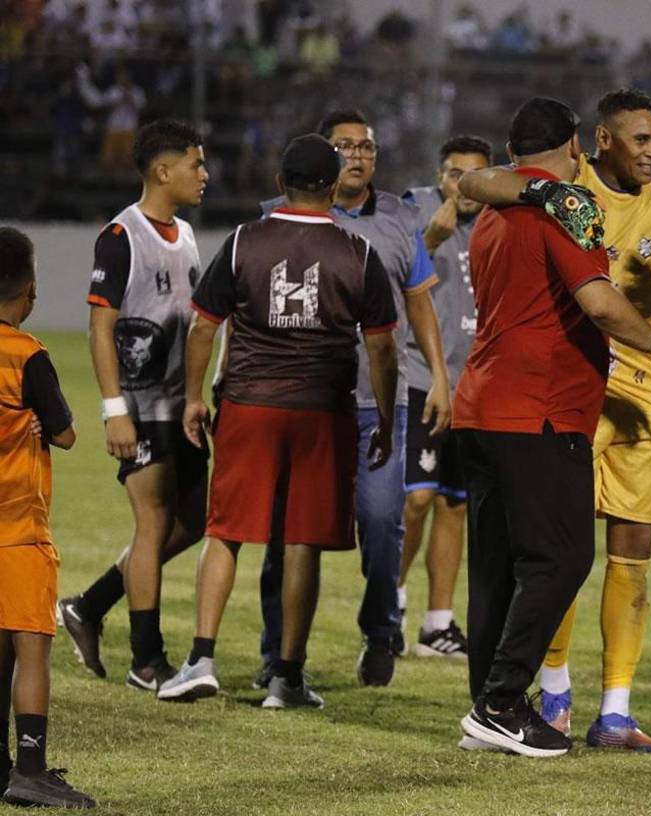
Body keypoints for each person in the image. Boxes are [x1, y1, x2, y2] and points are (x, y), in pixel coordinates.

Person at [458, 87, 651, 752]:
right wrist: (538, 192)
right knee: (554, 552)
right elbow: (475, 182)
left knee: (629, 553)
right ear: (600, 141)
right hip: (572, 390)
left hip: (640, 394)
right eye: (641, 139)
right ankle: (549, 695)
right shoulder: (568, 183)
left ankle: (615, 710)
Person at [157, 134, 400, 709]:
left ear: (278, 183)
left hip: (250, 404)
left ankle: (201, 658)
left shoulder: (245, 240)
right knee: (302, 541)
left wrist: (194, 397)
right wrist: (386, 419)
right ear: (336, 185)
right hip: (323, 410)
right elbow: (384, 350)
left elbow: (202, 327)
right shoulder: (357, 252)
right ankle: (286, 676)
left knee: (226, 531)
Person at [255, 110, 448, 689]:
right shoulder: (278, 218)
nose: (359, 156)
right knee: (287, 531)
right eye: (345, 146)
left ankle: (380, 624)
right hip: (304, 399)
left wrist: (438, 373)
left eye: (367, 146)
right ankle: (277, 655)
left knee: (384, 518)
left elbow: (418, 303)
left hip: (379, 403)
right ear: (324, 155)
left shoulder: (398, 218)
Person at [58, 120, 210, 691]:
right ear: (162, 170)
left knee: (194, 521)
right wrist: (113, 409)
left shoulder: (187, 234)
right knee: (151, 522)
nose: (205, 173)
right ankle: (147, 661)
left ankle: (89, 606)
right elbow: (101, 328)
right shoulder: (122, 236)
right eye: (196, 164)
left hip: (181, 406)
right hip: (142, 406)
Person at [0, 227, 95, 808]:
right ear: (30, 289)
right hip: (18, 526)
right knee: (30, 648)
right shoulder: (28, 354)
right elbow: (64, 433)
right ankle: (29, 770)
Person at [397, 135, 492, 659]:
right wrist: (429, 240)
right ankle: (392, 604)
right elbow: (389, 279)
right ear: (440, 174)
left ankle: (438, 626)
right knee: (415, 500)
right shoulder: (413, 211)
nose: (465, 186)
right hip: (421, 379)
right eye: (457, 174)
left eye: (476, 175)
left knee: (455, 505)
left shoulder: (497, 221)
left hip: (475, 387)